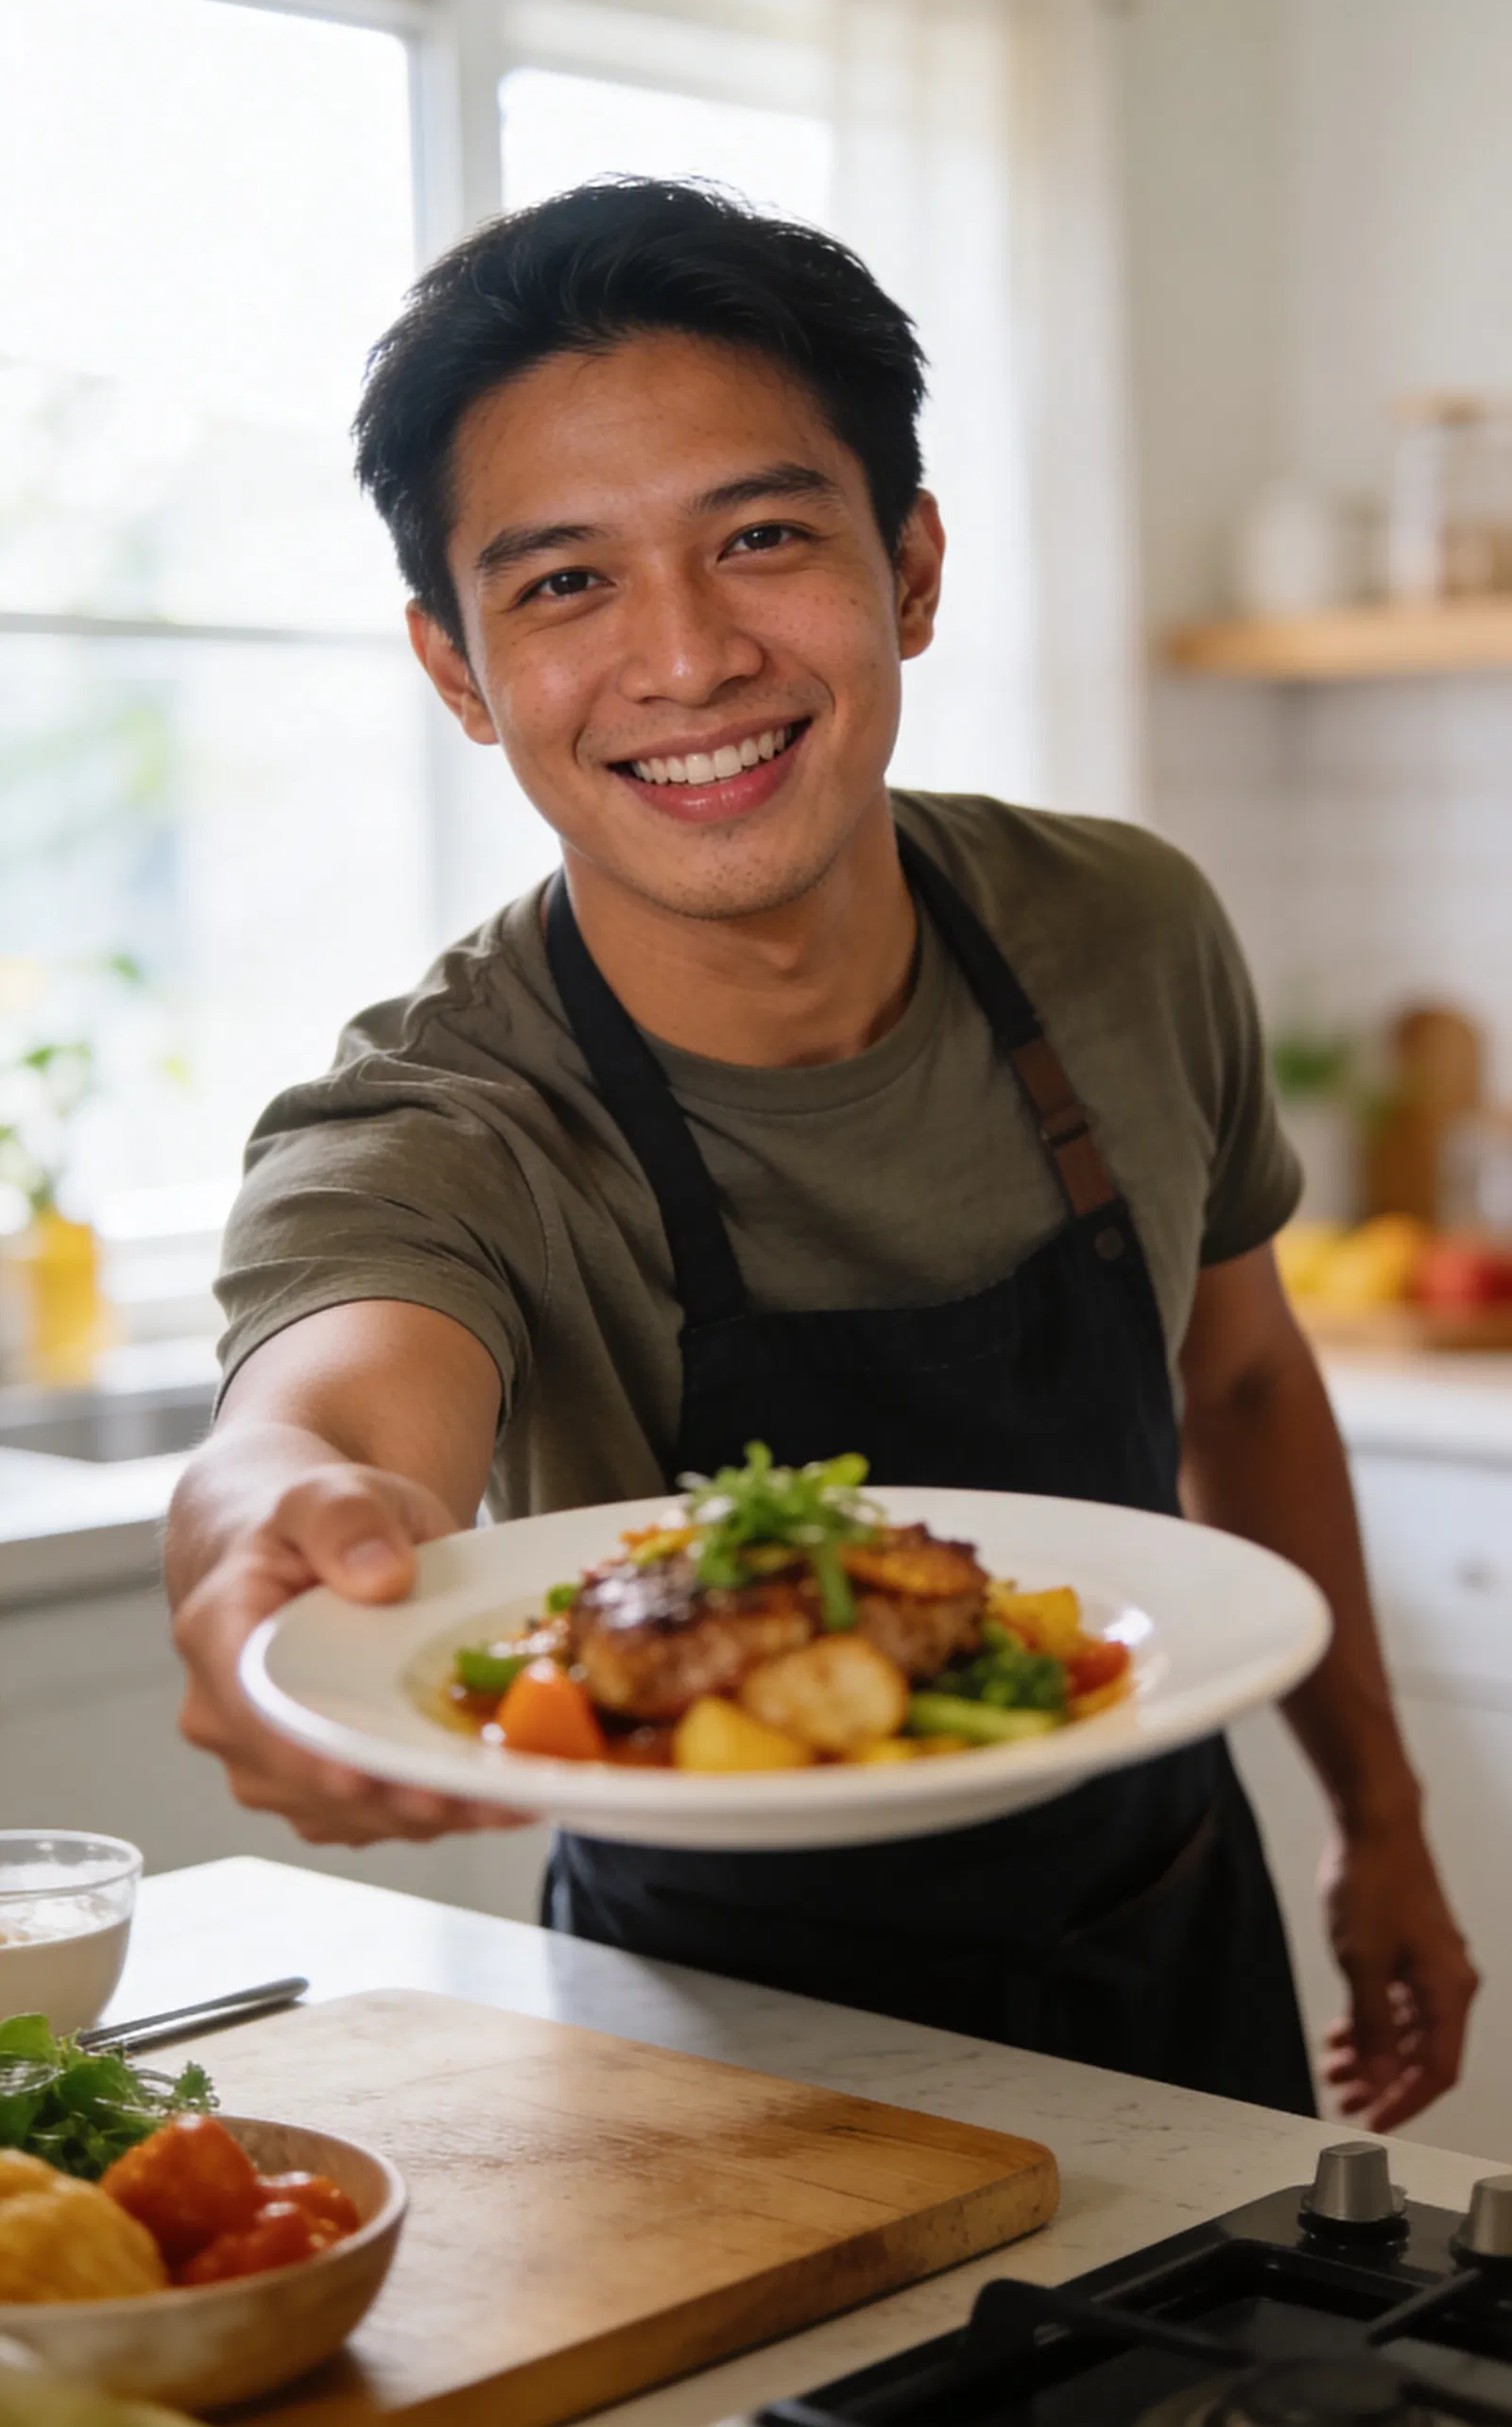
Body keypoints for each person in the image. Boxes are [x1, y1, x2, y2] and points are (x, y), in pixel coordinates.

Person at [166, 179, 1475, 2124]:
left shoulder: (1126, 930)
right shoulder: (445, 1123)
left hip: (1174, 1941)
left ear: (911, 569)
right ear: (455, 670)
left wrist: (1381, 1816)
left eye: (760, 539)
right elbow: (323, 1422)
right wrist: (269, 1535)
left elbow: (1250, 1383)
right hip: (698, 2047)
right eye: (564, 584)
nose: (688, 658)